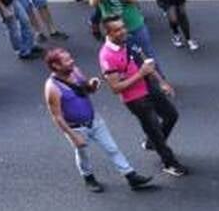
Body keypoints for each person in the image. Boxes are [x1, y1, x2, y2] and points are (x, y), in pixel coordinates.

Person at [43, 48, 152, 193]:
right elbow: (56, 116)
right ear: (56, 66)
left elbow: (86, 89)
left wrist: (92, 85)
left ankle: (130, 175)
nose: (72, 61)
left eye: (70, 58)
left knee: (112, 148)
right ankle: (88, 177)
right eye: (67, 60)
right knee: (83, 155)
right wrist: (73, 135)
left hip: (94, 120)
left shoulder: (75, 71)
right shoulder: (52, 88)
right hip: (76, 128)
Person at [100, 16, 188, 176]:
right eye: (117, 30)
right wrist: (140, 75)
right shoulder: (107, 56)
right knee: (153, 128)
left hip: (150, 87)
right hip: (135, 99)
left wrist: (162, 82)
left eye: (123, 27)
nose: (123, 32)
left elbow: (145, 64)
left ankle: (152, 142)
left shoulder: (129, 40)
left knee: (171, 116)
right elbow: (115, 88)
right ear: (108, 33)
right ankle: (169, 162)